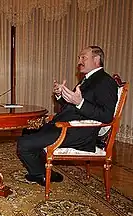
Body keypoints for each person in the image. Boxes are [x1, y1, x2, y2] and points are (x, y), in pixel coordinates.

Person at [17, 46, 118, 186]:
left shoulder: (105, 81)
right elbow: (71, 106)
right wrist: (60, 94)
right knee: (27, 132)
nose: (79, 61)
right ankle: (43, 171)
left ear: (96, 60)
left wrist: (80, 102)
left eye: (83, 57)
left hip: (78, 132)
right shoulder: (88, 79)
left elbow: (106, 116)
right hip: (66, 126)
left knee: (24, 144)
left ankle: (41, 174)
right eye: (79, 58)